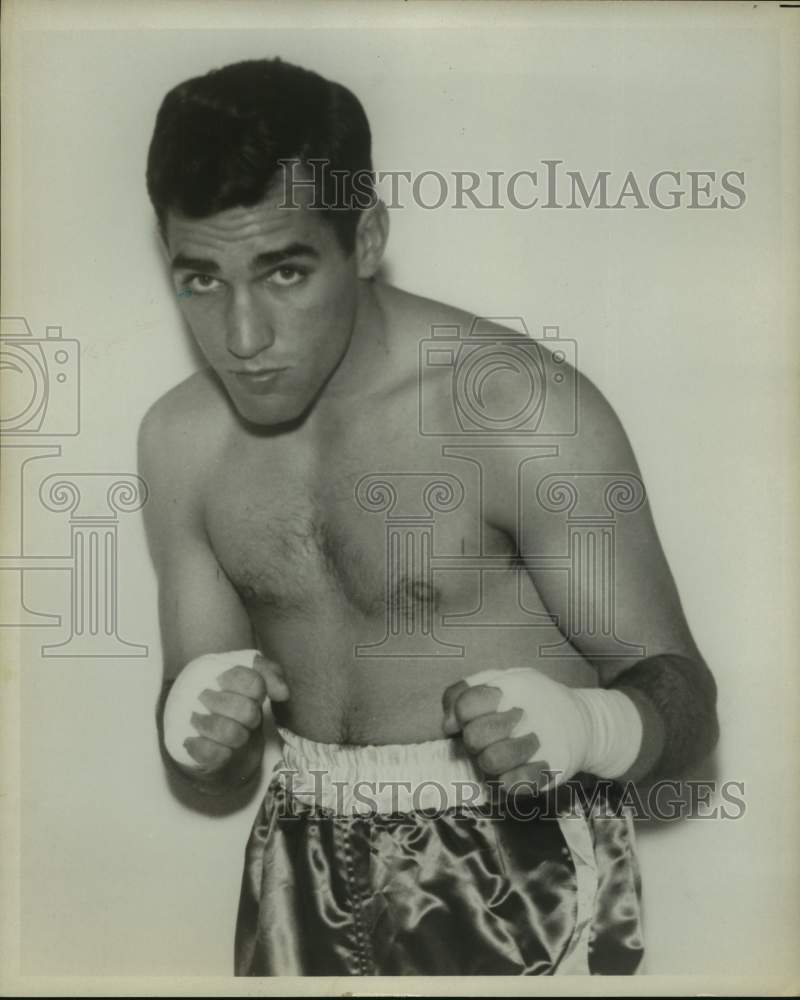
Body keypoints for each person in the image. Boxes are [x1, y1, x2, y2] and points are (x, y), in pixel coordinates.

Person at [140, 57, 719, 976]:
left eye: (284, 272)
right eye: (201, 280)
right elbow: (208, 761)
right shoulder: (181, 442)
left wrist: (591, 726)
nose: (242, 339)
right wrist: (193, 728)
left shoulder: (518, 410)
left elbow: (688, 704)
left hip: (517, 877)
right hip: (293, 871)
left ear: (365, 240)